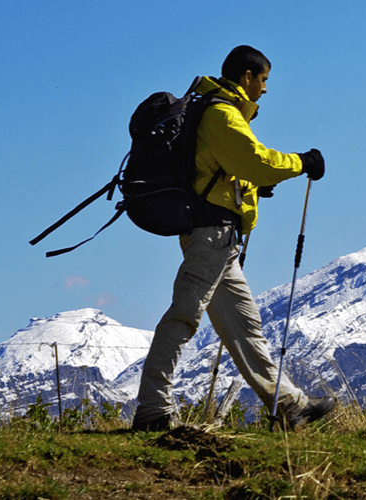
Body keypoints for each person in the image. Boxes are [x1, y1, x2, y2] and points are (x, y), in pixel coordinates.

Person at [131, 45, 333, 432]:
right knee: (183, 316)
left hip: (217, 239)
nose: (266, 88)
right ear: (246, 76)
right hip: (213, 236)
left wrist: (252, 186)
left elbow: (227, 169)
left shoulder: (213, 111)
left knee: (244, 329)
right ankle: (152, 409)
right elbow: (256, 160)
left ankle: (291, 404)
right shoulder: (222, 114)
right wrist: (302, 162)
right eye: (264, 79)